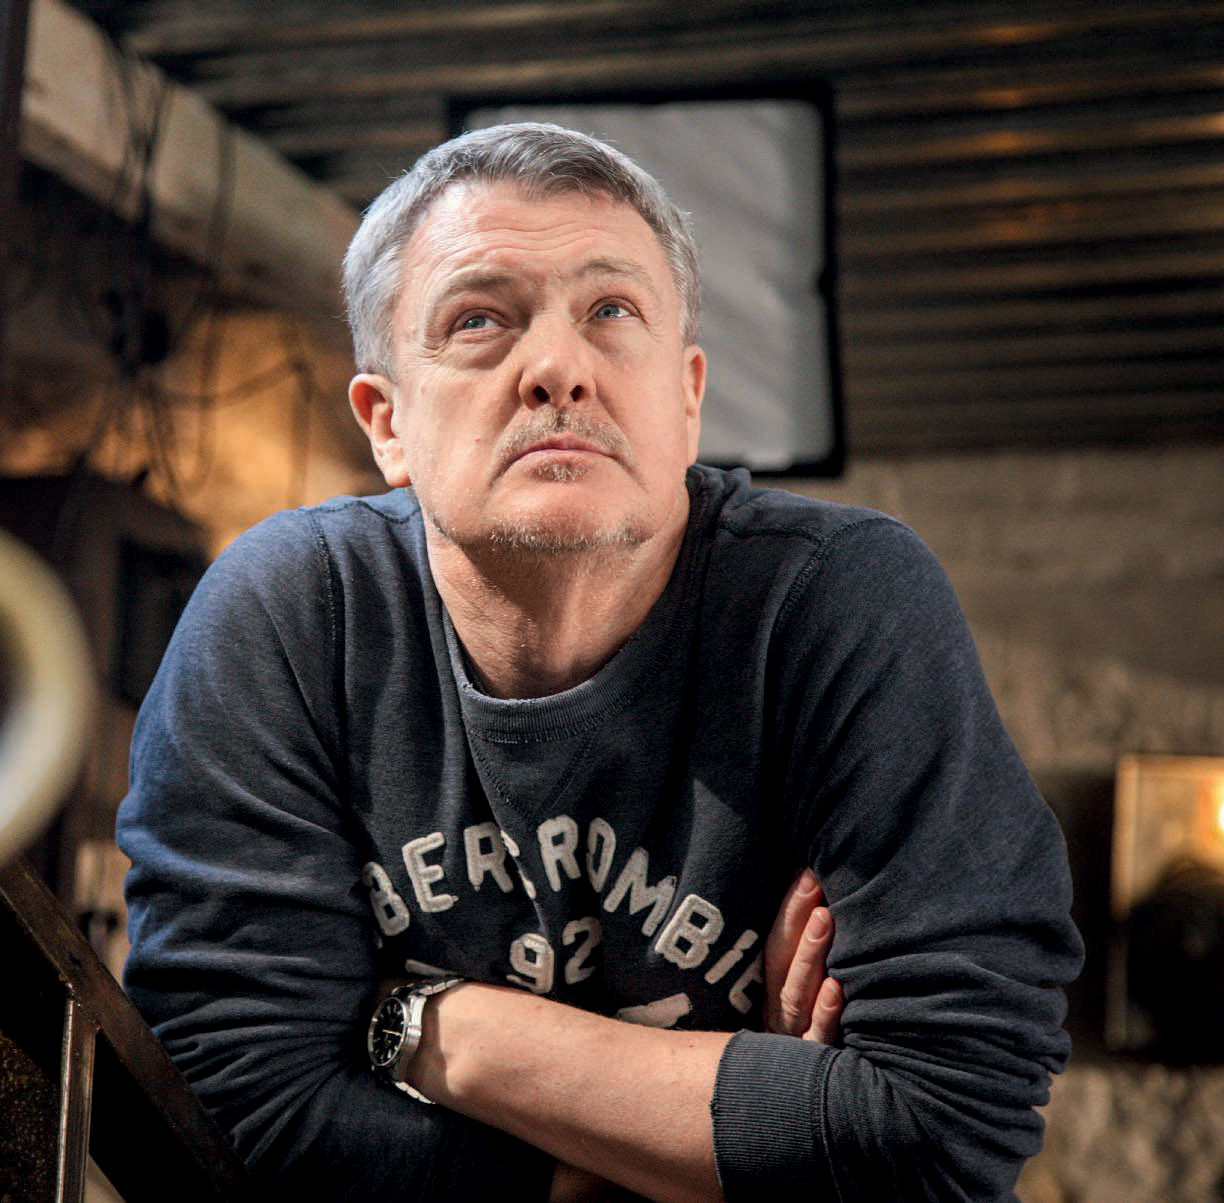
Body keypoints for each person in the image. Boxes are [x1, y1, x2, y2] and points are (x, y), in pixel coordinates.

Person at [117, 123, 1083, 1202]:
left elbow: (947, 1126)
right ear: (387, 423)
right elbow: (224, 1117)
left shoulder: (833, 603)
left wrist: (430, 1027)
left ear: (687, 397)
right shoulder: (294, 613)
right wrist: (734, 1135)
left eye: (612, 312)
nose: (558, 371)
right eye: (478, 320)